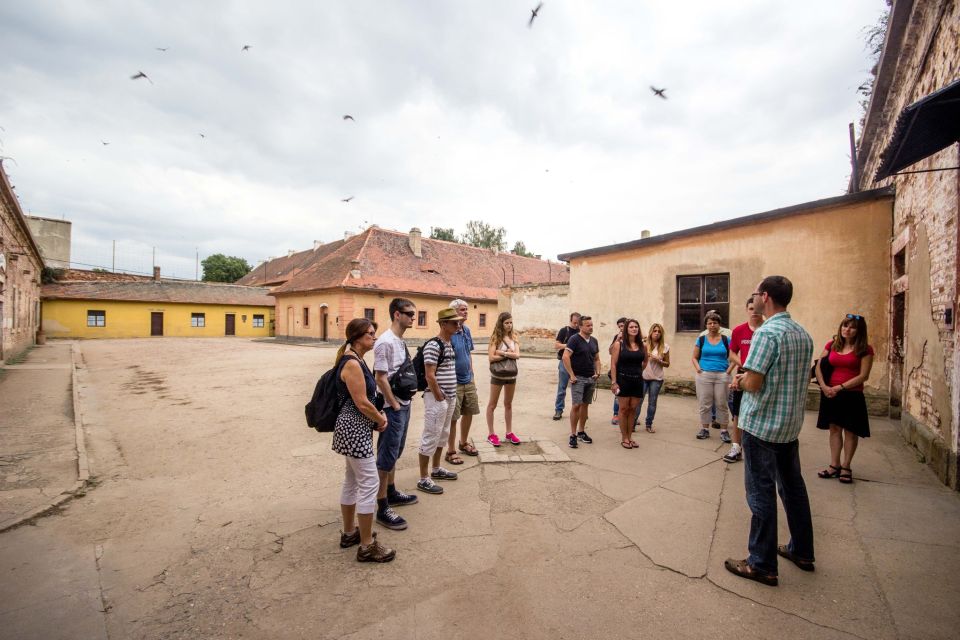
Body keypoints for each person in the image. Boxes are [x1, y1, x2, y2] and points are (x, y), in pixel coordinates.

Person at [726, 275, 815, 586]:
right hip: (789, 425)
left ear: (765, 297)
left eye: (757, 295)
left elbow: (755, 381)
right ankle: (802, 550)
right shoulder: (802, 333)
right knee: (793, 489)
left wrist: (739, 380)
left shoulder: (768, 333)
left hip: (762, 425)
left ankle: (761, 564)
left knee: (760, 493)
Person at [332, 318, 395, 563]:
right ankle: (367, 545)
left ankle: (350, 533)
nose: (374, 337)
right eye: (370, 334)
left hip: (351, 428)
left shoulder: (353, 358)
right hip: (355, 428)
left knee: (352, 480)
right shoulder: (352, 363)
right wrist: (380, 418)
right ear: (358, 337)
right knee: (369, 483)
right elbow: (361, 402)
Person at [372, 298, 420, 531]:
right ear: (396, 314)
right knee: (386, 455)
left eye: (413, 313)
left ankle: (391, 492)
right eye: (409, 313)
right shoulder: (385, 342)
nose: (413, 317)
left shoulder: (399, 341)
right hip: (394, 407)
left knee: (395, 451)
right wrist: (394, 404)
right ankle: (382, 506)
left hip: (403, 403)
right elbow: (380, 377)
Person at [815, 314, 874, 484]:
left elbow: (864, 375)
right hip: (829, 393)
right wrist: (824, 386)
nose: (847, 330)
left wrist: (839, 388)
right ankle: (834, 465)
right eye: (845, 326)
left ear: (859, 331)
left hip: (851, 394)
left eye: (852, 327)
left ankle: (846, 466)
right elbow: (819, 366)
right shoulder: (832, 345)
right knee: (834, 429)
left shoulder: (865, 349)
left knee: (850, 431)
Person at [416, 308, 460, 495]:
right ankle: (424, 478)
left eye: (458, 322)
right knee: (431, 434)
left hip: (449, 397)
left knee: (443, 433)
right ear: (443, 324)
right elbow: (429, 376)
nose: (458, 325)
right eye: (454, 322)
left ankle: (436, 468)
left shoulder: (449, 344)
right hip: (437, 398)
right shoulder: (434, 345)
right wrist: (440, 397)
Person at [723, 298, 764, 463]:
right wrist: (745, 365)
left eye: (757, 308)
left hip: (762, 376)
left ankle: (759, 449)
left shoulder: (767, 330)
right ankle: (736, 447)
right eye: (751, 308)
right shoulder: (739, 330)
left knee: (759, 413)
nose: (754, 311)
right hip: (742, 375)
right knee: (738, 413)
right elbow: (732, 353)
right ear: (747, 309)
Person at [692, 311, 739, 441]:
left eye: (715, 323)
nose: (712, 325)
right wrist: (698, 369)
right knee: (705, 403)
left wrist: (728, 371)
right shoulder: (701, 339)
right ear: (706, 325)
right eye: (709, 323)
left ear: (719, 325)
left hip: (722, 376)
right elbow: (694, 357)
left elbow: (734, 357)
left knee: (721, 403)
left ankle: (724, 430)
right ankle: (705, 429)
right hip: (704, 375)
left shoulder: (726, 339)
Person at [446, 299, 480, 465]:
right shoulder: (449, 332)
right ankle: (450, 450)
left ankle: (463, 442)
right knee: (454, 417)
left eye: (467, 309)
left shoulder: (466, 330)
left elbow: (468, 353)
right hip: (454, 381)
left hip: (468, 379)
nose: (466, 312)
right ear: (454, 312)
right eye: (462, 309)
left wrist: (471, 373)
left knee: (469, 411)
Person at [562, 315, 600, 448]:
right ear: (580, 326)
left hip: (591, 378)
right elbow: (565, 356)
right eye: (588, 325)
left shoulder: (594, 341)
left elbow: (596, 359)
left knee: (585, 405)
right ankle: (572, 434)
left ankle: (581, 432)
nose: (591, 327)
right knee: (576, 405)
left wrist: (597, 372)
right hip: (578, 378)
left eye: (591, 325)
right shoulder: (574, 339)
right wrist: (571, 375)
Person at [609, 319, 647, 449]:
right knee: (624, 409)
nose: (634, 329)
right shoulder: (619, 345)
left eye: (636, 326)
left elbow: (645, 362)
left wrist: (638, 372)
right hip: (623, 380)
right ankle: (624, 437)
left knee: (633, 410)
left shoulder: (643, 345)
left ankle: (630, 437)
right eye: (631, 327)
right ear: (626, 329)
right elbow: (613, 364)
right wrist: (614, 382)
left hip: (637, 380)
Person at [486, 312, 521, 446]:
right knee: (492, 404)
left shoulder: (514, 337)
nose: (509, 325)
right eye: (506, 323)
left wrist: (501, 353)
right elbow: (491, 357)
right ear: (501, 323)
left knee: (508, 404)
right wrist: (508, 354)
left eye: (511, 322)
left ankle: (509, 432)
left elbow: (517, 355)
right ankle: (491, 434)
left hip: (511, 374)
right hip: (498, 375)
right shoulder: (495, 338)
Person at [638, 323, 670, 433]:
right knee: (639, 401)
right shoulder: (643, 344)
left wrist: (659, 360)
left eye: (659, 331)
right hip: (643, 376)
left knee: (652, 402)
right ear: (651, 332)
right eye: (655, 331)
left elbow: (667, 364)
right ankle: (632, 423)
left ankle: (648, 424)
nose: (657, 333)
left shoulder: (665, 346)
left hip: (656, 378)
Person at [553, 312, 581, 420]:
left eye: (578, 323)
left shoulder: (581, 332)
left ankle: (579, 412)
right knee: (562, 388)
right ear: (570, 320)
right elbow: (556, 345)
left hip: (578, 364)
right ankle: (558, 410)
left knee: (579, 389)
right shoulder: (564, 330)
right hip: (564, 363)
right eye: (574, 323)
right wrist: (569, 345)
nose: (576, 325)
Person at [609, 317, 626, 425]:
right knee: (618, 393)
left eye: (622, 326)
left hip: (630, 370)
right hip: (619, 369)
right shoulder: (617, 337)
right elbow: (610, 351)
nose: (621, 328)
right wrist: (617, 340)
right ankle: (616, 414)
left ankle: (628, 414)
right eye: (619, 326)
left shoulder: (634, 337)